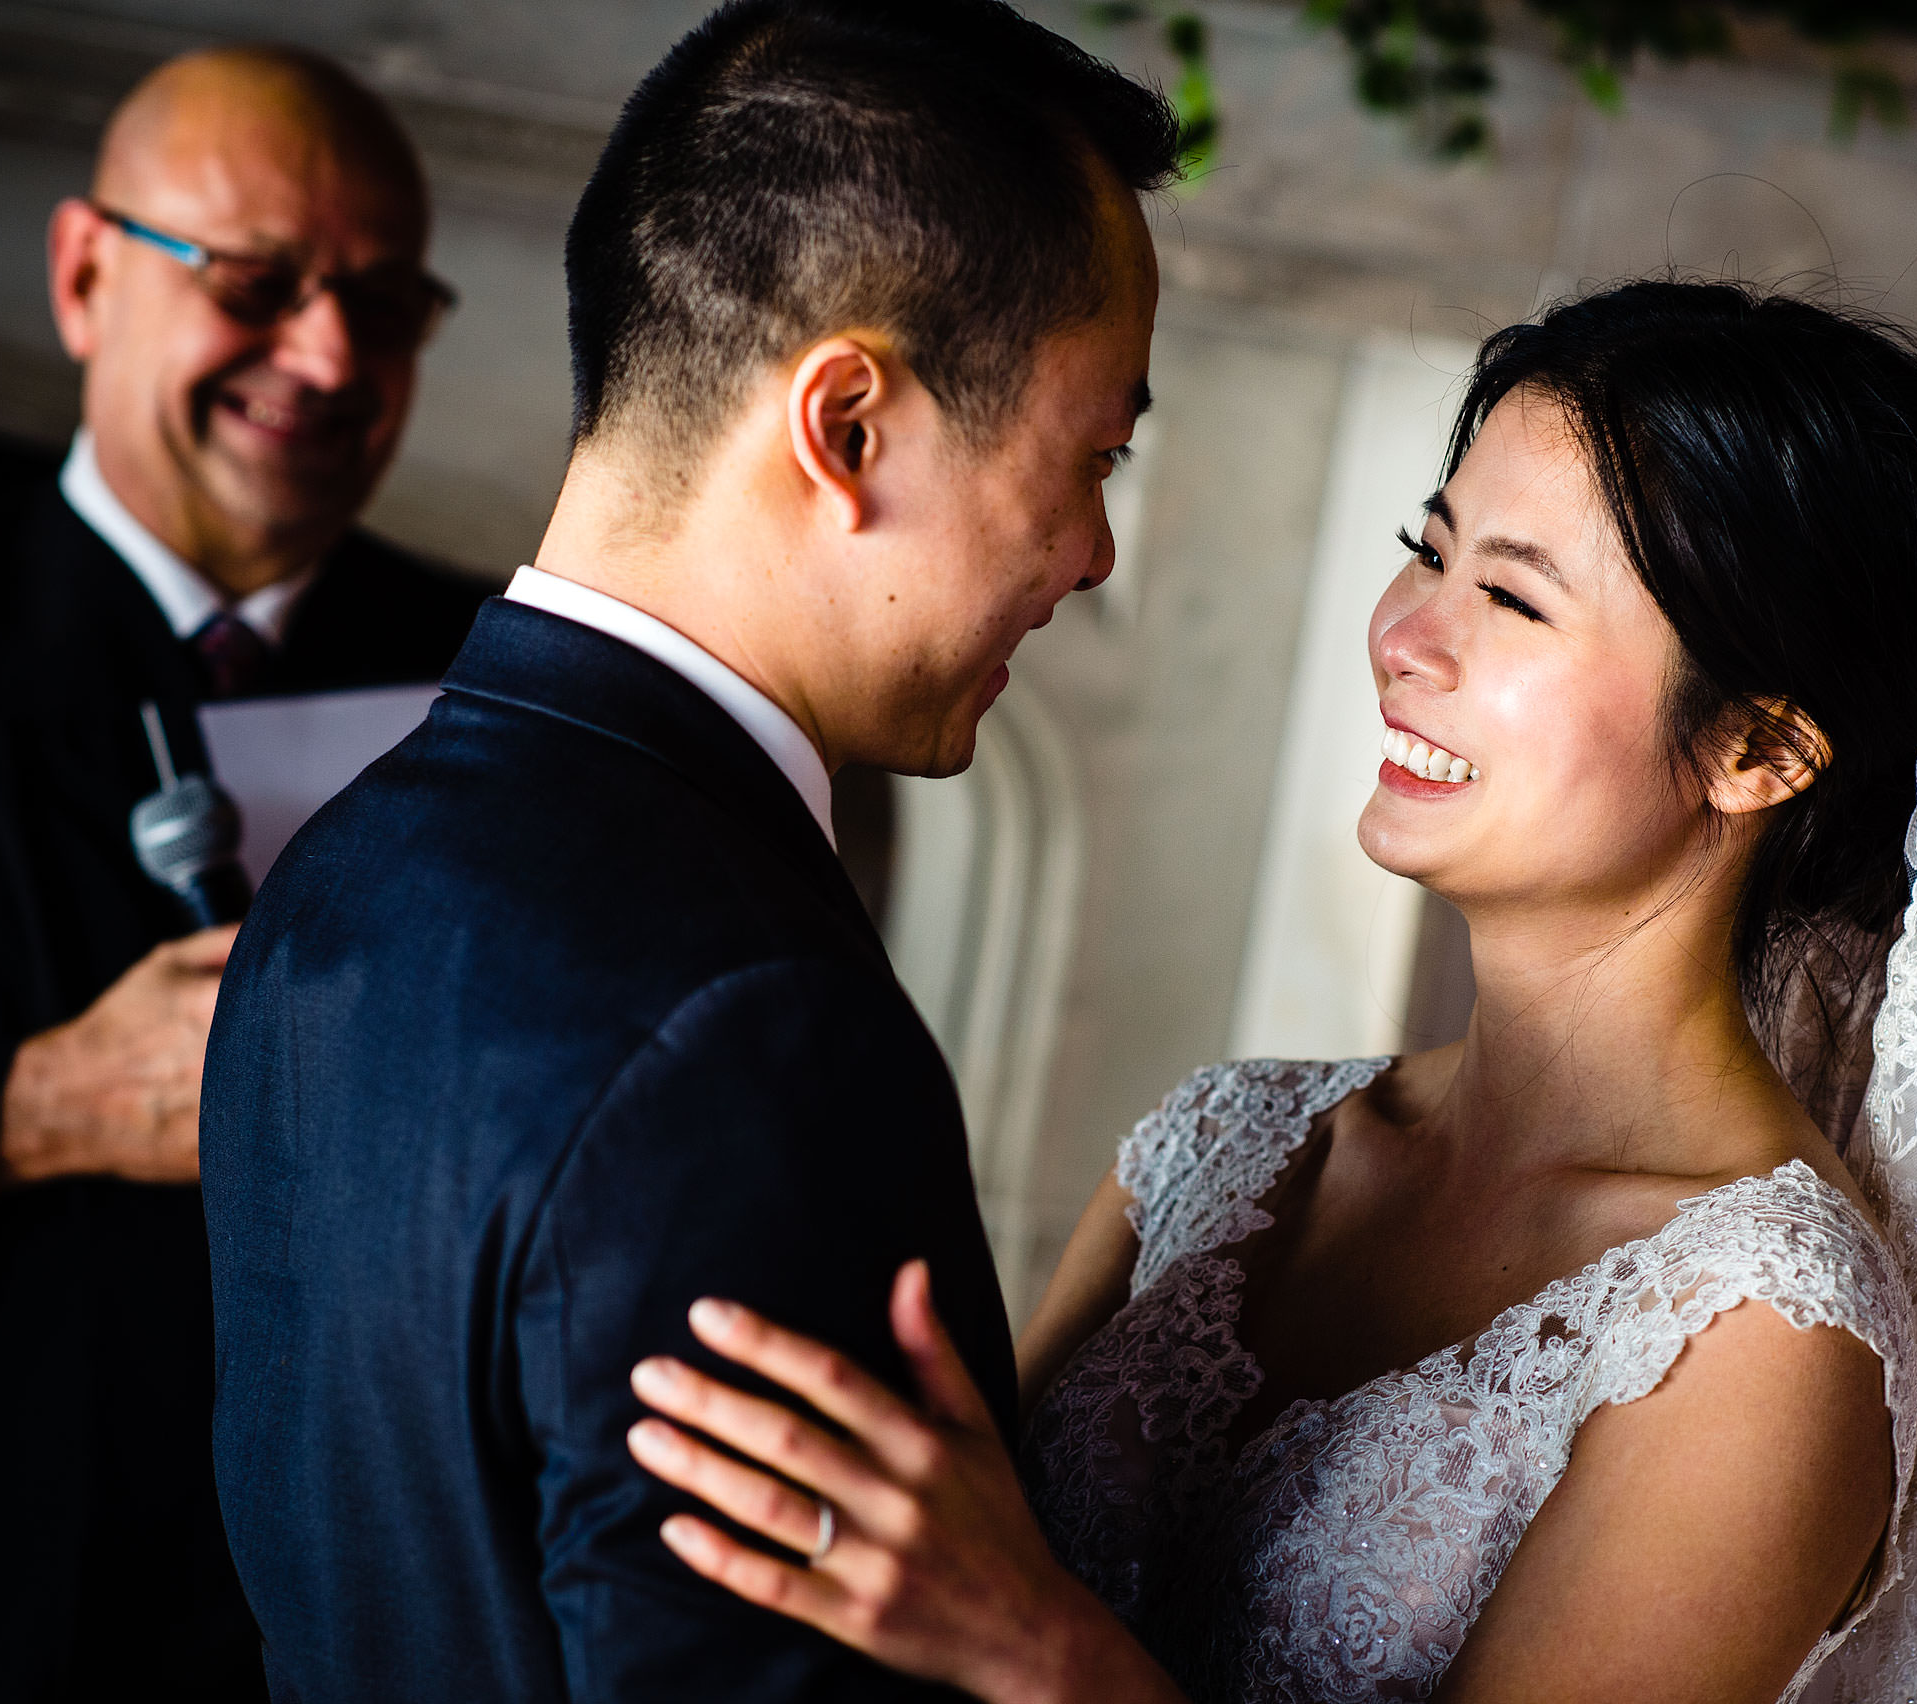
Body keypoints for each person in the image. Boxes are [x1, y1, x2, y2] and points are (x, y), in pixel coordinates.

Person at [624, 281, 1917, 1703]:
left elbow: (990, 1605)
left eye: (1509, 595)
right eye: (1427, 553)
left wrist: (1033, 1652)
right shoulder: (1221, 1143)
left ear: (1757, 748)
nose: (1409, 636)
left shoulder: (1764, 1331)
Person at [196, 3, 1177, 1699]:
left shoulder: (343, 863)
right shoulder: (751, 1030)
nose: (1092, 554)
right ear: (847, 423)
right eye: (1092, 457)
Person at [0, 45, 484, 1703]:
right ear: (84, 275)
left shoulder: (511, 694)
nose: (328, 354)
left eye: (386, 306)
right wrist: (23, 1104)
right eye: (258, 285)